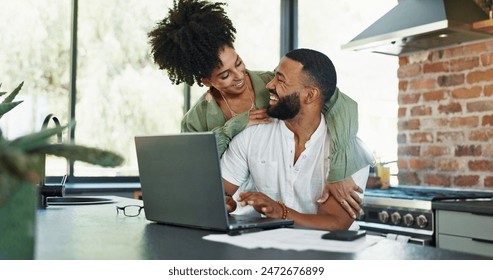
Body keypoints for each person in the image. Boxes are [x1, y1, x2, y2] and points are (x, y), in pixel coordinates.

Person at [147, 0, 374, 218]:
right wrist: (230, 132)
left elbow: (342, 104)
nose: (239, 76)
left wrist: (340, 168)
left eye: (238, 63)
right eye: (225, 75)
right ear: (206, 81)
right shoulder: (195, 121)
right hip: (240, 217)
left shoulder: (273, 84)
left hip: (285, 214)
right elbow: (194, 178)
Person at [222, 48, 370, 230]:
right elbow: (219, 193)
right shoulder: (251, 136)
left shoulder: (350, 154)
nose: (269, 85)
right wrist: (225, 203)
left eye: (280, 80)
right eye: (274, 76)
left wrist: (281, 212)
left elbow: (335, 223)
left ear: (310, 95)